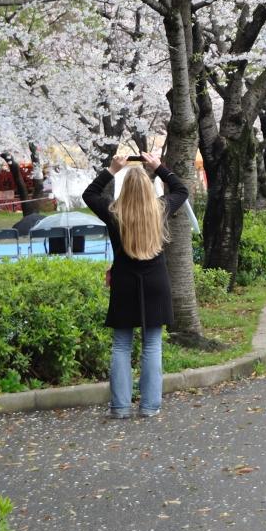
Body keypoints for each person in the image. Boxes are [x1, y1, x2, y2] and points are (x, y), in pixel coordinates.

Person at [83, 151, 188, 420]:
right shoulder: (161, 208)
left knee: (121, 345)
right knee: (152, 344)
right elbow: (181, 189)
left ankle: (120, 407)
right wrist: (159, 167)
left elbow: (89, 194)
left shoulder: (113, 212)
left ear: (124, 189)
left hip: (124, 281)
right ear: (149, 189)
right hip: (156, 282)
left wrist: (112, 169)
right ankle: (150, 406)